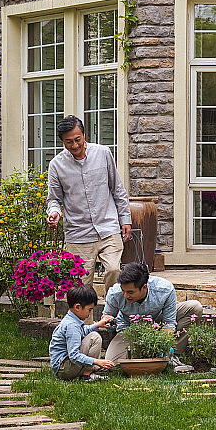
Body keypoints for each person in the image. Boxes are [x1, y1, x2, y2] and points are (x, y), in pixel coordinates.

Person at [46, 115, 132, 295]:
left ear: (84, 135)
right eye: (68, 142)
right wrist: (54, 212)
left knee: (115, 272)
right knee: (81, 289)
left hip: (108, 227)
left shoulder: (103, 153)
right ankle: (86, 323)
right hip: (78, 234)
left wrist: (125, 219)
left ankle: (112, 316)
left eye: (78, 139)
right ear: (62, 141)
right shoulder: (56, 165)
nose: (75, 145)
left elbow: (117, 189)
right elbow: (54, 199)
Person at [103, 262, 203, 372]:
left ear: (144, 287)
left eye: (130, 292)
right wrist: (109, 323)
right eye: (123, 291)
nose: (126, 295)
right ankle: (144, 356)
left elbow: (169, 323)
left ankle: (171, 355)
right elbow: (107, 317)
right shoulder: (114, 293)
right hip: (129, 330)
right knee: (112, 364)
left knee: (194, 307)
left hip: (158, 324)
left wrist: (161, 345)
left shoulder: (164, 289)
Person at [49, 284, 115, 380]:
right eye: (89, 310)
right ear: (78, 307)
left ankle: (87, 371)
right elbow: (74, 356)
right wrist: (96, 361)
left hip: (63, 367)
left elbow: (83, 331)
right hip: (64, 369)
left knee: (93, 335)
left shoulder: (72, 320)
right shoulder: (72, 326)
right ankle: (86, 374)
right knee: (94, 337)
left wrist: (98, 325)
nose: (90, 314)